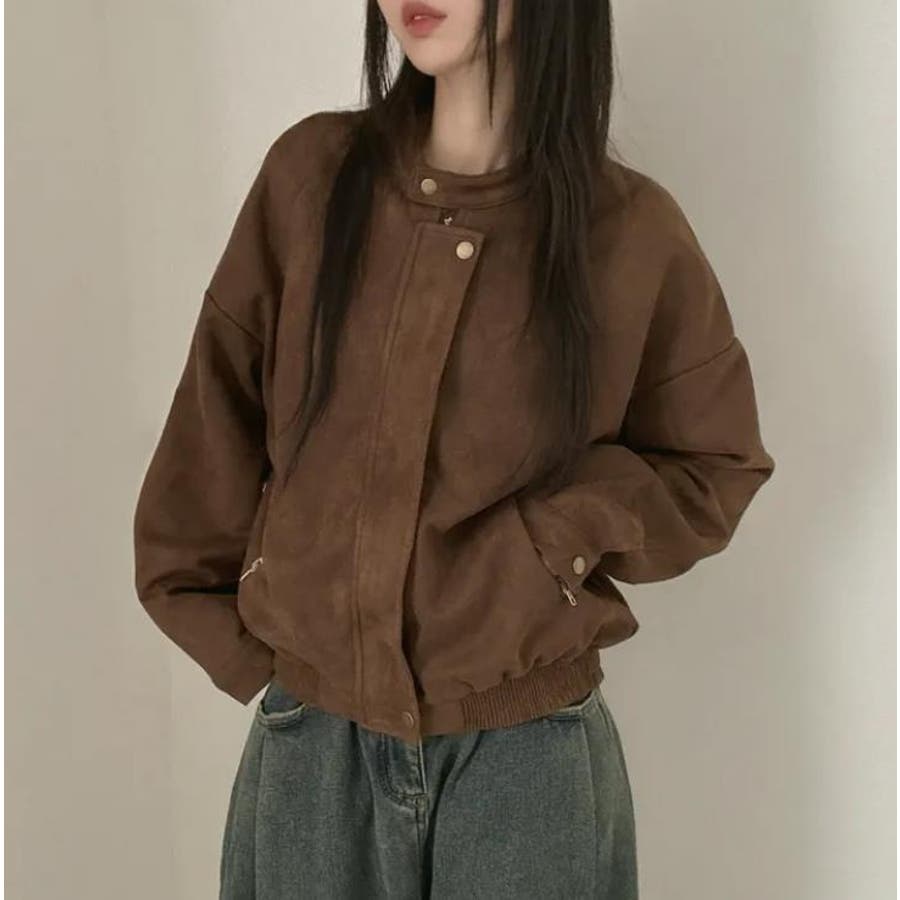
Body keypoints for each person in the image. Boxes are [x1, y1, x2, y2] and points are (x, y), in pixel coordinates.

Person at [132, 1, 776, 897]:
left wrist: (556, 539)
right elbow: (214, 425)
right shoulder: (310, 180)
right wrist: (268, 663)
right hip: (312, 759)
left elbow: (717, 461)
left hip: (526, 767)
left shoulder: (627, 232)